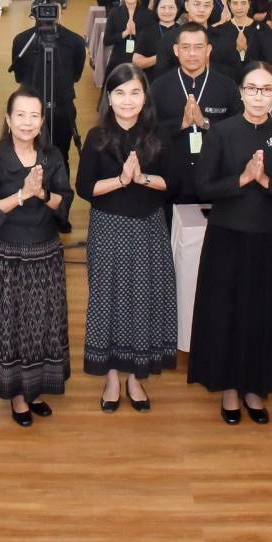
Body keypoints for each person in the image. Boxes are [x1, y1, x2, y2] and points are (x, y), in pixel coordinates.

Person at [189, 63, 272, 425]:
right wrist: (242, 179)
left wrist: (266, 180)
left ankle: (256, 387)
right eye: (252, 89)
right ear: (241, 93)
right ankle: (228, 387)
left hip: (271, 239)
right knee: (226, 313)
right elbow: (203, 187)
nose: (259, 96)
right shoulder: (221, 133)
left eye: (266, 90)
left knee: (264, 314)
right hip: (226, 237)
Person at [77, 65, 178, 412]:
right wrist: (121, 180)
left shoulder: (159, 134)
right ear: (109, 97)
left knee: (143, 300)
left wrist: (142, 178)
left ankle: (136, 377)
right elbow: (85, 188)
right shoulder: (97, 136)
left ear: (145, 96)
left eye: (135, 92)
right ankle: (110, 377)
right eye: (119, 93)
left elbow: (175, 183)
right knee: (107, 301)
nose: (127, 100)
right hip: (108, 228)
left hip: (148, 227)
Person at [0, 88, 74, 426]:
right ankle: (17, 395)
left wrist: (40, 192)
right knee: (11, 325)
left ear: (42, 121)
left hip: (45, 253)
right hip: (5, 257)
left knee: (42, 324)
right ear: (8, 119)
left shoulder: (51, 156)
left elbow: (63, 200)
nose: (27, 122)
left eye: (34, 116)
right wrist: (21, 194)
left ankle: (37, 388)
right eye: (20, 115)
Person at [149, 21, 240, 200]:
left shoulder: (227, 86)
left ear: (208, 50)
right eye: (185, 47)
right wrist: (180, 124)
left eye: (198, 47)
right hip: (172, 177)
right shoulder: (159, 86)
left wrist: (205, 123)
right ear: (176, 50)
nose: (192, 53)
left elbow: (238, 127)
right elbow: (149, 129)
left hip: (216, 176)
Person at [7, 8, 87, 167]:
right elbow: (75, 77)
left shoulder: (75, 42)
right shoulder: (23, 41)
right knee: (34, 156)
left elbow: (19, 78)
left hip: (62, 110)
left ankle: (59, 183)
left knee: (60, 157)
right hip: (31, 111)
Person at [103, 0, 158, 78]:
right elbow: (106, 40)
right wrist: (124, 33)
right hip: (118, 60)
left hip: (140, 61)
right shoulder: (114, 13)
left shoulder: (149, 15)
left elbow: (152, 42)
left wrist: (136, 34)